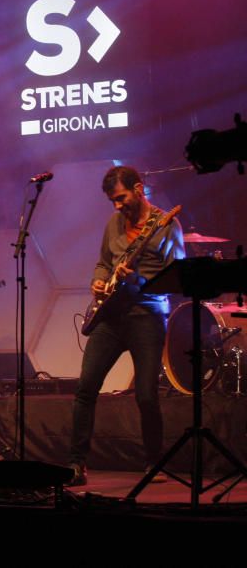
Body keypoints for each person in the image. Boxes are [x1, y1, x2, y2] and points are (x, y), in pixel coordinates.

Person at [67, 166, 184, 486]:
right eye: (112, 201)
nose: (117, 206)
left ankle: (154, 462)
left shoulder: (166, 225)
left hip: (147, 316)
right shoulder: (113, 223)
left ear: (138, 188)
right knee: (85, 388)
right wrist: (99, 281)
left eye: (120, 198)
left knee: (146, 395)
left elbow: (178, 277)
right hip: (111, 317)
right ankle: (76, 464)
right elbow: (103, 262)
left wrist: (139, 280)